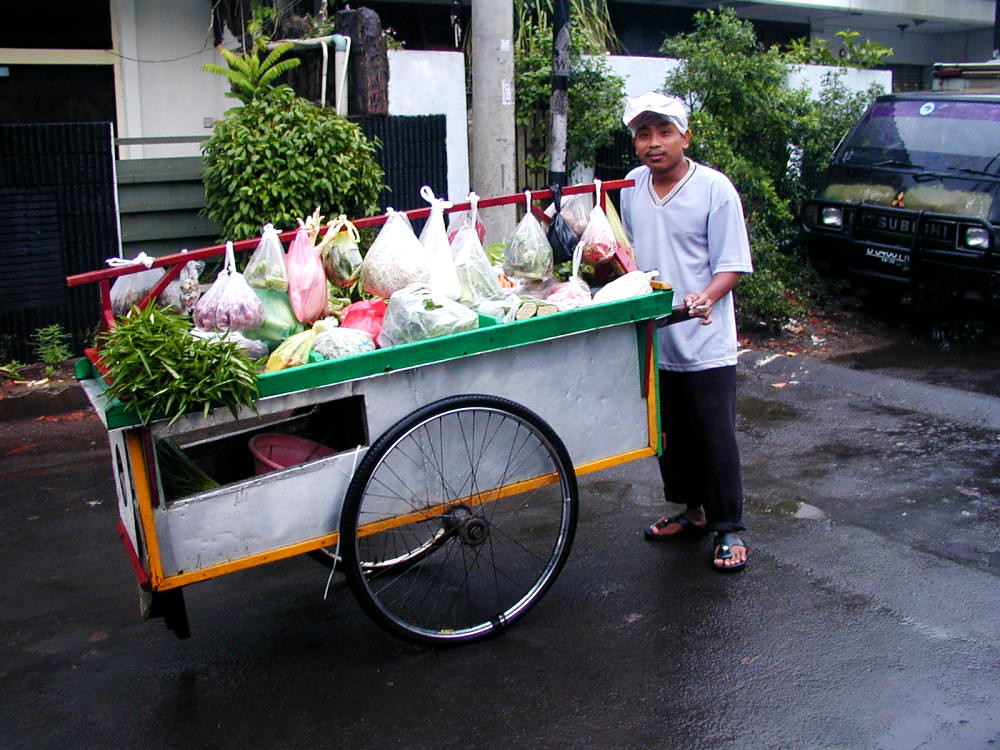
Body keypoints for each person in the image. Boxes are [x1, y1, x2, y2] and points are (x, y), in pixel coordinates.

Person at [619, 92, 753, 572]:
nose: (653, 143)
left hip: (704, 337)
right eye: (643, 134)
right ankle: (693, 513)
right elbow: (632, 252)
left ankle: (728, 527)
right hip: (658, 336)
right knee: (669, 436)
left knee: (713, 436)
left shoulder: (715, 189)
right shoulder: (631, 185)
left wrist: (708, 296)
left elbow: (732, 264)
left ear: (685, 136)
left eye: (664, 132)